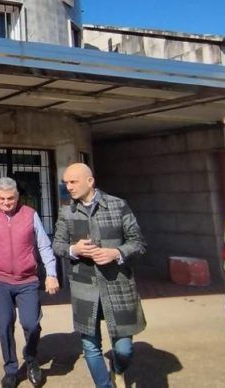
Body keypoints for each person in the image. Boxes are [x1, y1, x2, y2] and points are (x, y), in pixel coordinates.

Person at [53, 163, 146, 388]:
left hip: (118, 286)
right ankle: (104, 385)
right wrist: (75, 250)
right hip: (85, 289)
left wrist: (116, 252)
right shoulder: (67, 211)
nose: (69, 187)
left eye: (73, 182)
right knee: (90, 347)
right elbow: (57, 245)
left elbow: (138, 242)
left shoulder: (117, 205)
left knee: (124, 349)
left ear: (90, 181)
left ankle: (118, 365)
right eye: (66, 182)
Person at [0, 177, 60, 388]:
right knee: (5, 324)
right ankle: (11, 369)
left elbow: (44, 246)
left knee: (31, 324)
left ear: (17, 196)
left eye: (10, 198)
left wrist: (52, 273)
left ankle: (31, 359)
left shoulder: (30, 214)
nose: (6, 203)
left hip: (27, 280)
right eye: (1, 199)